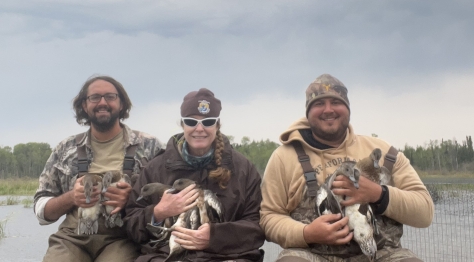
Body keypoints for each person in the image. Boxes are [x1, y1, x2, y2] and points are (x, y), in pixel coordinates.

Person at [260, 74, 434, 262]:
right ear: (308, 112)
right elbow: (268, 217)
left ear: (348, 108)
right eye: (319, 104)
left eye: (336, 102)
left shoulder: (384, 152)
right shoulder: (284, 157)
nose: (328, 110)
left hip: (381, 255)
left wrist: (379, 194)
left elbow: (424, 212)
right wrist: (307, 233)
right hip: (312, 254)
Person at [125, 88, 265, 262]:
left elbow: (257, 226)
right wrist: (158, 213)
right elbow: (130, 223)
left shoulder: (244, 169)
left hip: (226, 257)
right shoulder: (155, 168)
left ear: (217, 125)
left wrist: (214, 237)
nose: (199, 129)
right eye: (191, 122)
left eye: (208, 122)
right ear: (182, 124)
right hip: (166, 257)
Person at [34, 75, 164, 262]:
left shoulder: (150, 147)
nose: (102, 102)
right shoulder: (65, 149)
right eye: (95, 97)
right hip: (72, 238)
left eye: (110, 97)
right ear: (84, 106)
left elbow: (167, 200)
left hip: (123, 237)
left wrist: (132, 199)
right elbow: (41, 211)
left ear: (121, 104)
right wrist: (72, 197)